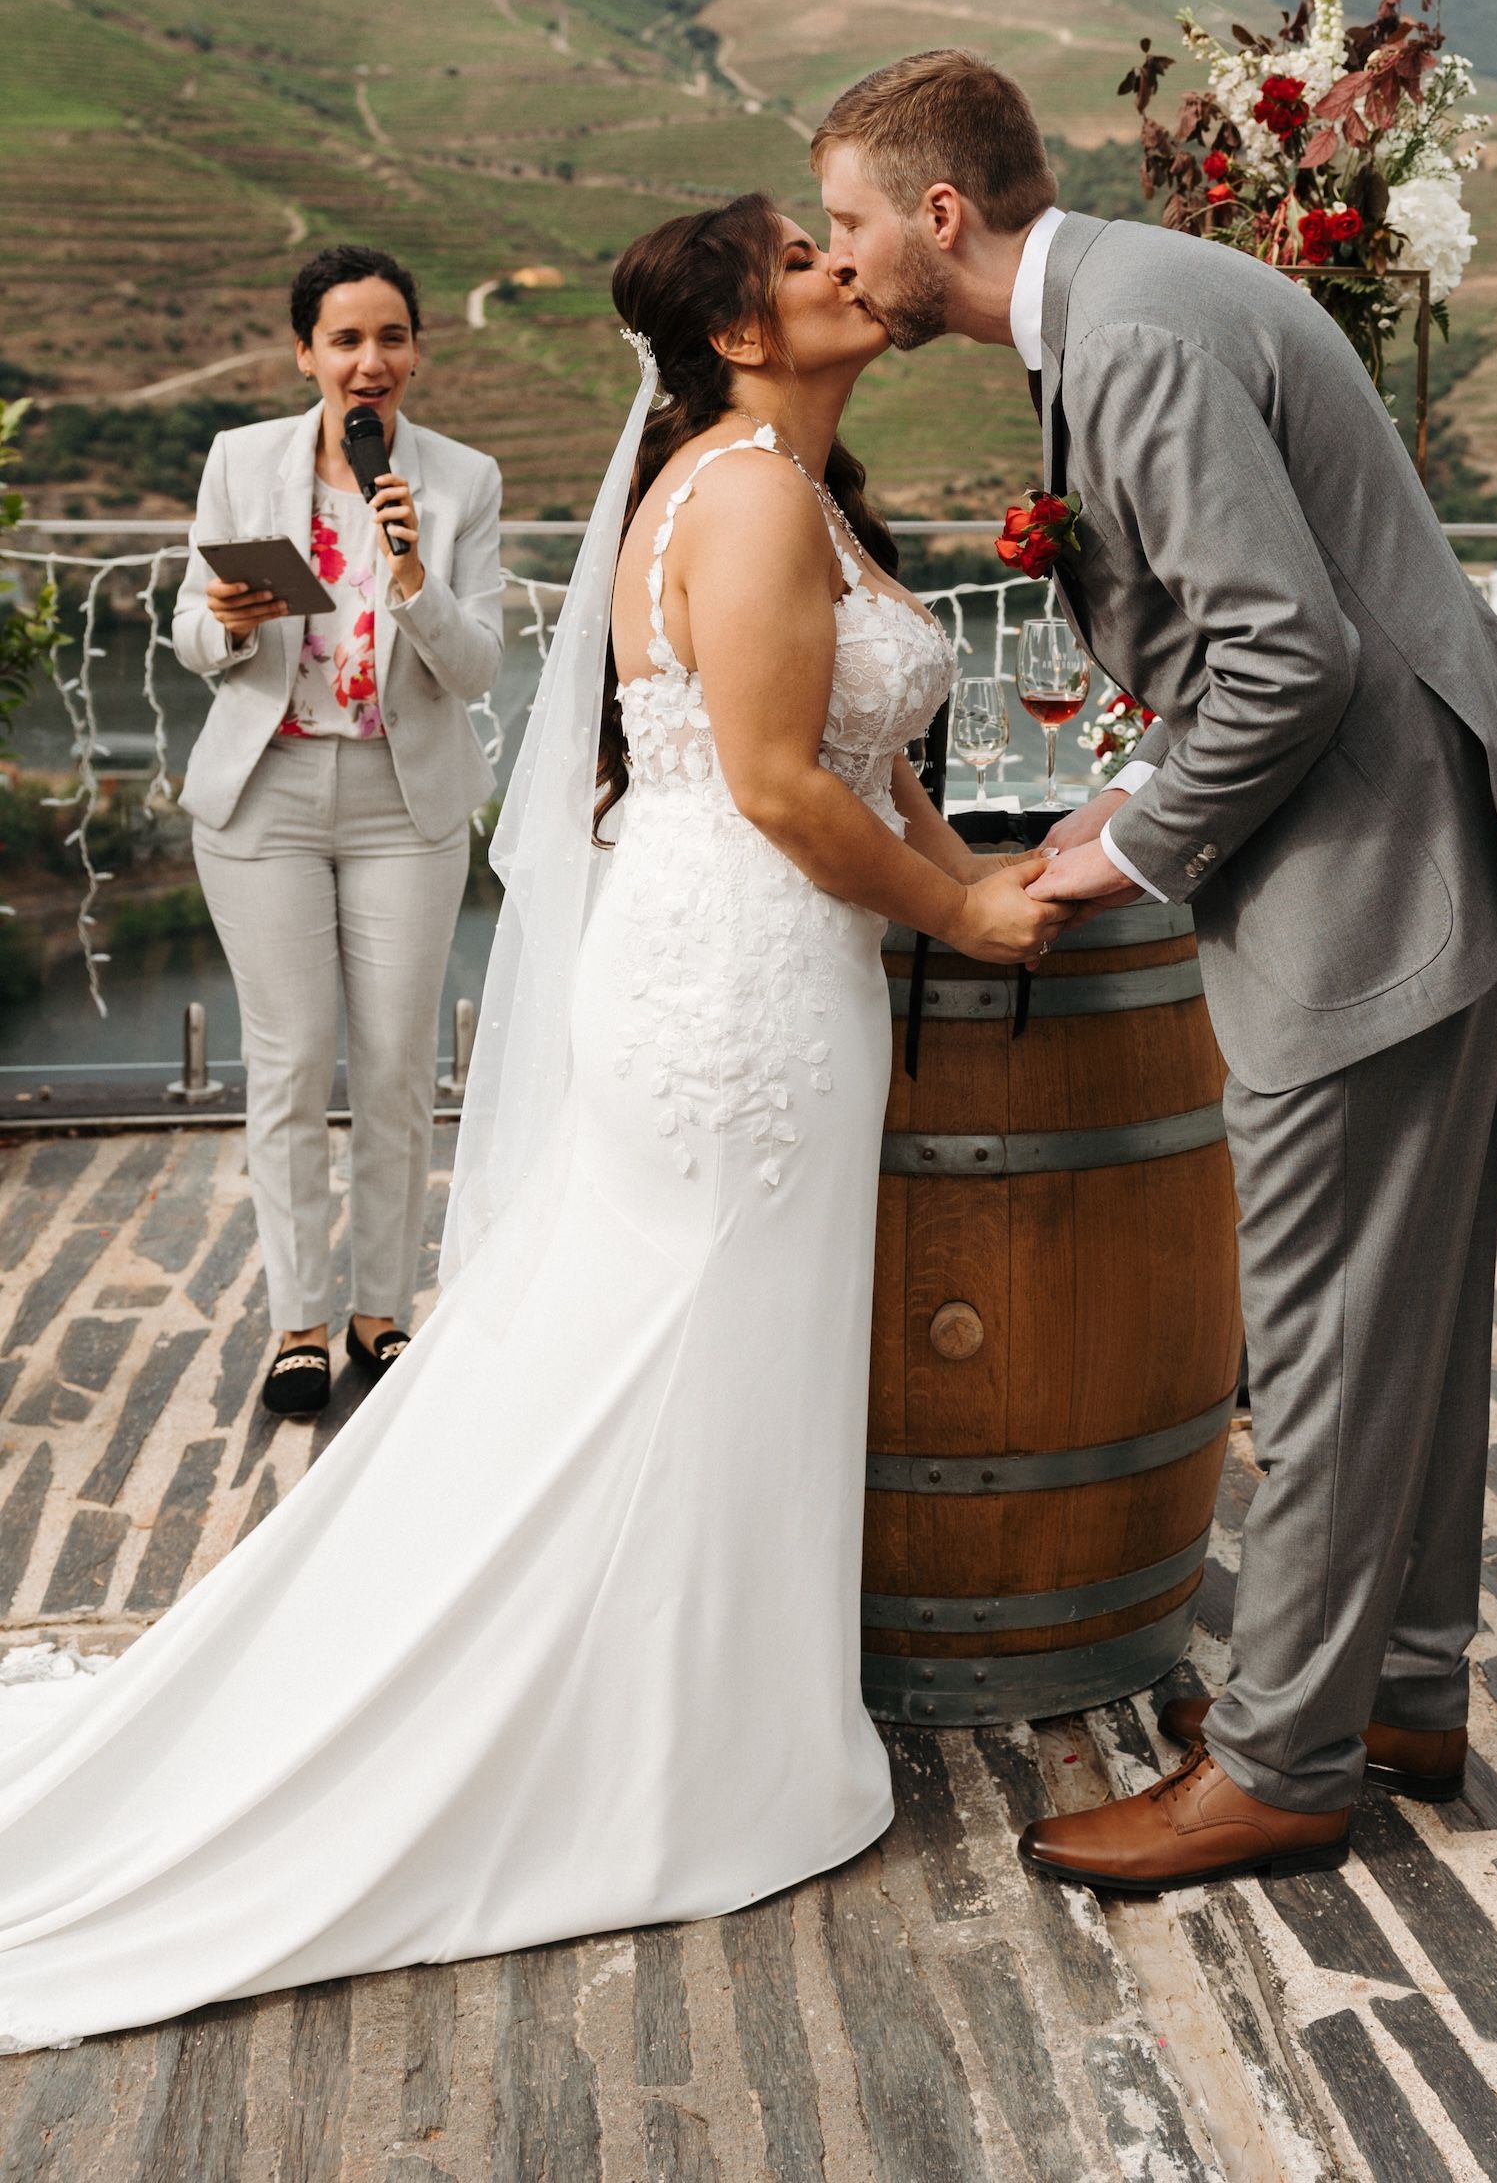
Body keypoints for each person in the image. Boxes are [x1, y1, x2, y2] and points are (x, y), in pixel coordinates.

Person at [0, 197, 1062, 2051]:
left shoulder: (780, 487)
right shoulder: (736, 496)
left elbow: (862, 745)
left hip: (753, 970)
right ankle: (671, 1754)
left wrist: (984, 853)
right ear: (739, 329)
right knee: (690, 1342)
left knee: (685, 1346)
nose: (847, 271)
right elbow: (772, 782)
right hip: (736, 982)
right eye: (810, 260)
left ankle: (697, 1705)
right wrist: (961, 911)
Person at [818, 48, 1497, 1893]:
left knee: (1321, 1335)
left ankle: (1281, 1767)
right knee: (1412, 1309)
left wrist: (1140, 841)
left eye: (851, 224)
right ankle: (1395, 1688)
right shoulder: (1137, 298)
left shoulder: (1137, 341)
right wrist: (1145, 796)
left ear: (942, 214)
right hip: (1414, 830)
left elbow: (1287, 658)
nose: (839, 264)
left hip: (1370, 870)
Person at [172, 243, 503, 1418]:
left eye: (392, 338)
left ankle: (382, 1313)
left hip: (401, 805)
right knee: (293, 1059)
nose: (371, 362)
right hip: (265, 798)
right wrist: (219, 615)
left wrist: (411, 573)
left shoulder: (463, 480)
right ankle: (300, 1324)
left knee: (401, 1068)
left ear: (416, 350)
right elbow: (193, 642)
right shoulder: (239, 460)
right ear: (305, 352)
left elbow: (475, 669)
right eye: (346, 340)